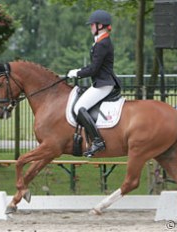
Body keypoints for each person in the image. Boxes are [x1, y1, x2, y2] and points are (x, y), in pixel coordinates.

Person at [67, 9, 121, 157]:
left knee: (79, 107)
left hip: (103, 83)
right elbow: (94, 67)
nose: (90, 27)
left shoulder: (102, 43)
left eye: (92, 25)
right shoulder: (101, 41)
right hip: (102, 81)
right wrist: (79, 70)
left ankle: (98, 140)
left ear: (100, 25)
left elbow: (94, 69)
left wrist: (77, 73)